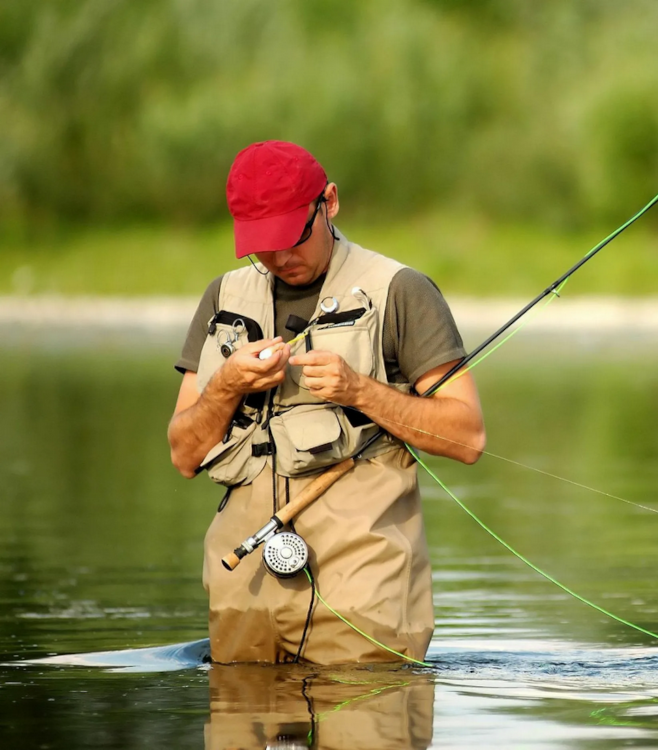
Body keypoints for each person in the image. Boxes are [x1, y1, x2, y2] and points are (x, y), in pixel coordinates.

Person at [167, 140, 485, 665]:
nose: (281, 259)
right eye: (262, 246)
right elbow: (183, 456)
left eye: (293, 238)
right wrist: (225, 384)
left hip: (365, 596)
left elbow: (468, 436)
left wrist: (359, 390)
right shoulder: (221, 297)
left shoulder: (401, 291)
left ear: (329, 203)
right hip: (241, 590)